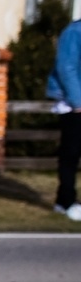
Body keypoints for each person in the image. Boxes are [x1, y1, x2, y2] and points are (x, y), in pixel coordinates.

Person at [51, 12, 81, 221]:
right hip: (74, 106)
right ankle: (66, 202)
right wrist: (77, 101)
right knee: (71, 153)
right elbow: (66, 67)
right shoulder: (74, 32)